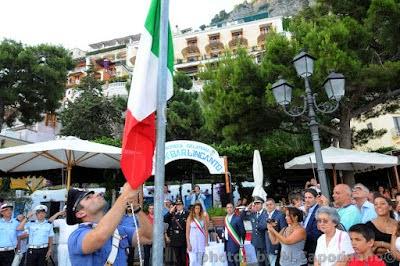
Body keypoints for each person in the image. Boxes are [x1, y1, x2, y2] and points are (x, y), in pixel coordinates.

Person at [66, 183, 153, 266]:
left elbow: (148, 237)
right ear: (80, 213)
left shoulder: (118, 230)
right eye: (88, 197)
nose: (97, 194)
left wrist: (136, 209)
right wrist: (124, 197)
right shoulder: (76, 236)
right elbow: (99, 237)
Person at [366, 195, 399, 266]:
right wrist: (391, 248)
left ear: (390, 207)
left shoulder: (398, 225)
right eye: (376, 204)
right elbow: (367, 248)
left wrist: (381, 244)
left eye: (382, 203)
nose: (378, 206)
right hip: (376, 262)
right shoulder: (368, 226)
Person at [241, 196, 268, 266]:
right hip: (256, 242)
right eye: (255, 204)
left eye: (258, 203)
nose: (256, 205)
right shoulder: (253, 214)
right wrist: (247, 207)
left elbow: (263, 226)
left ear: (262, 204)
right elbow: (242, 216)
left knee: (267, 263)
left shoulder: (266, 213)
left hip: (265, 242)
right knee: (260, 262)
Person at [164, 199, 188, 266]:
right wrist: (170, 211)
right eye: (177, 205)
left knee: (183, 258)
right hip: (174, 239)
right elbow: (164, 219)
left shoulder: (187, 214)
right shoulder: (172, 214)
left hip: (183, 238)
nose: (178, 206)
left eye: (180, 205)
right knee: (176, 259)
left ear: (183, 205)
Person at [264, 198, 287, 266]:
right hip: (267, 243)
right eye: (267, 205)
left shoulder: (280, 215)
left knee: (275, 263)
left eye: (270, 204)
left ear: (274, 205)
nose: (269, 206)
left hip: (277, 244)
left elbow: (284, 229)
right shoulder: (265, 214)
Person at [303, 188, 322, 264]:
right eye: (305, 197)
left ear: (316, 198)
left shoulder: (319, 210)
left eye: (310, 197)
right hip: (307, 247)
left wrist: (300, 235)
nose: (307, 200)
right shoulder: (308, 210)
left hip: (314, 248)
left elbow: (316, 233)